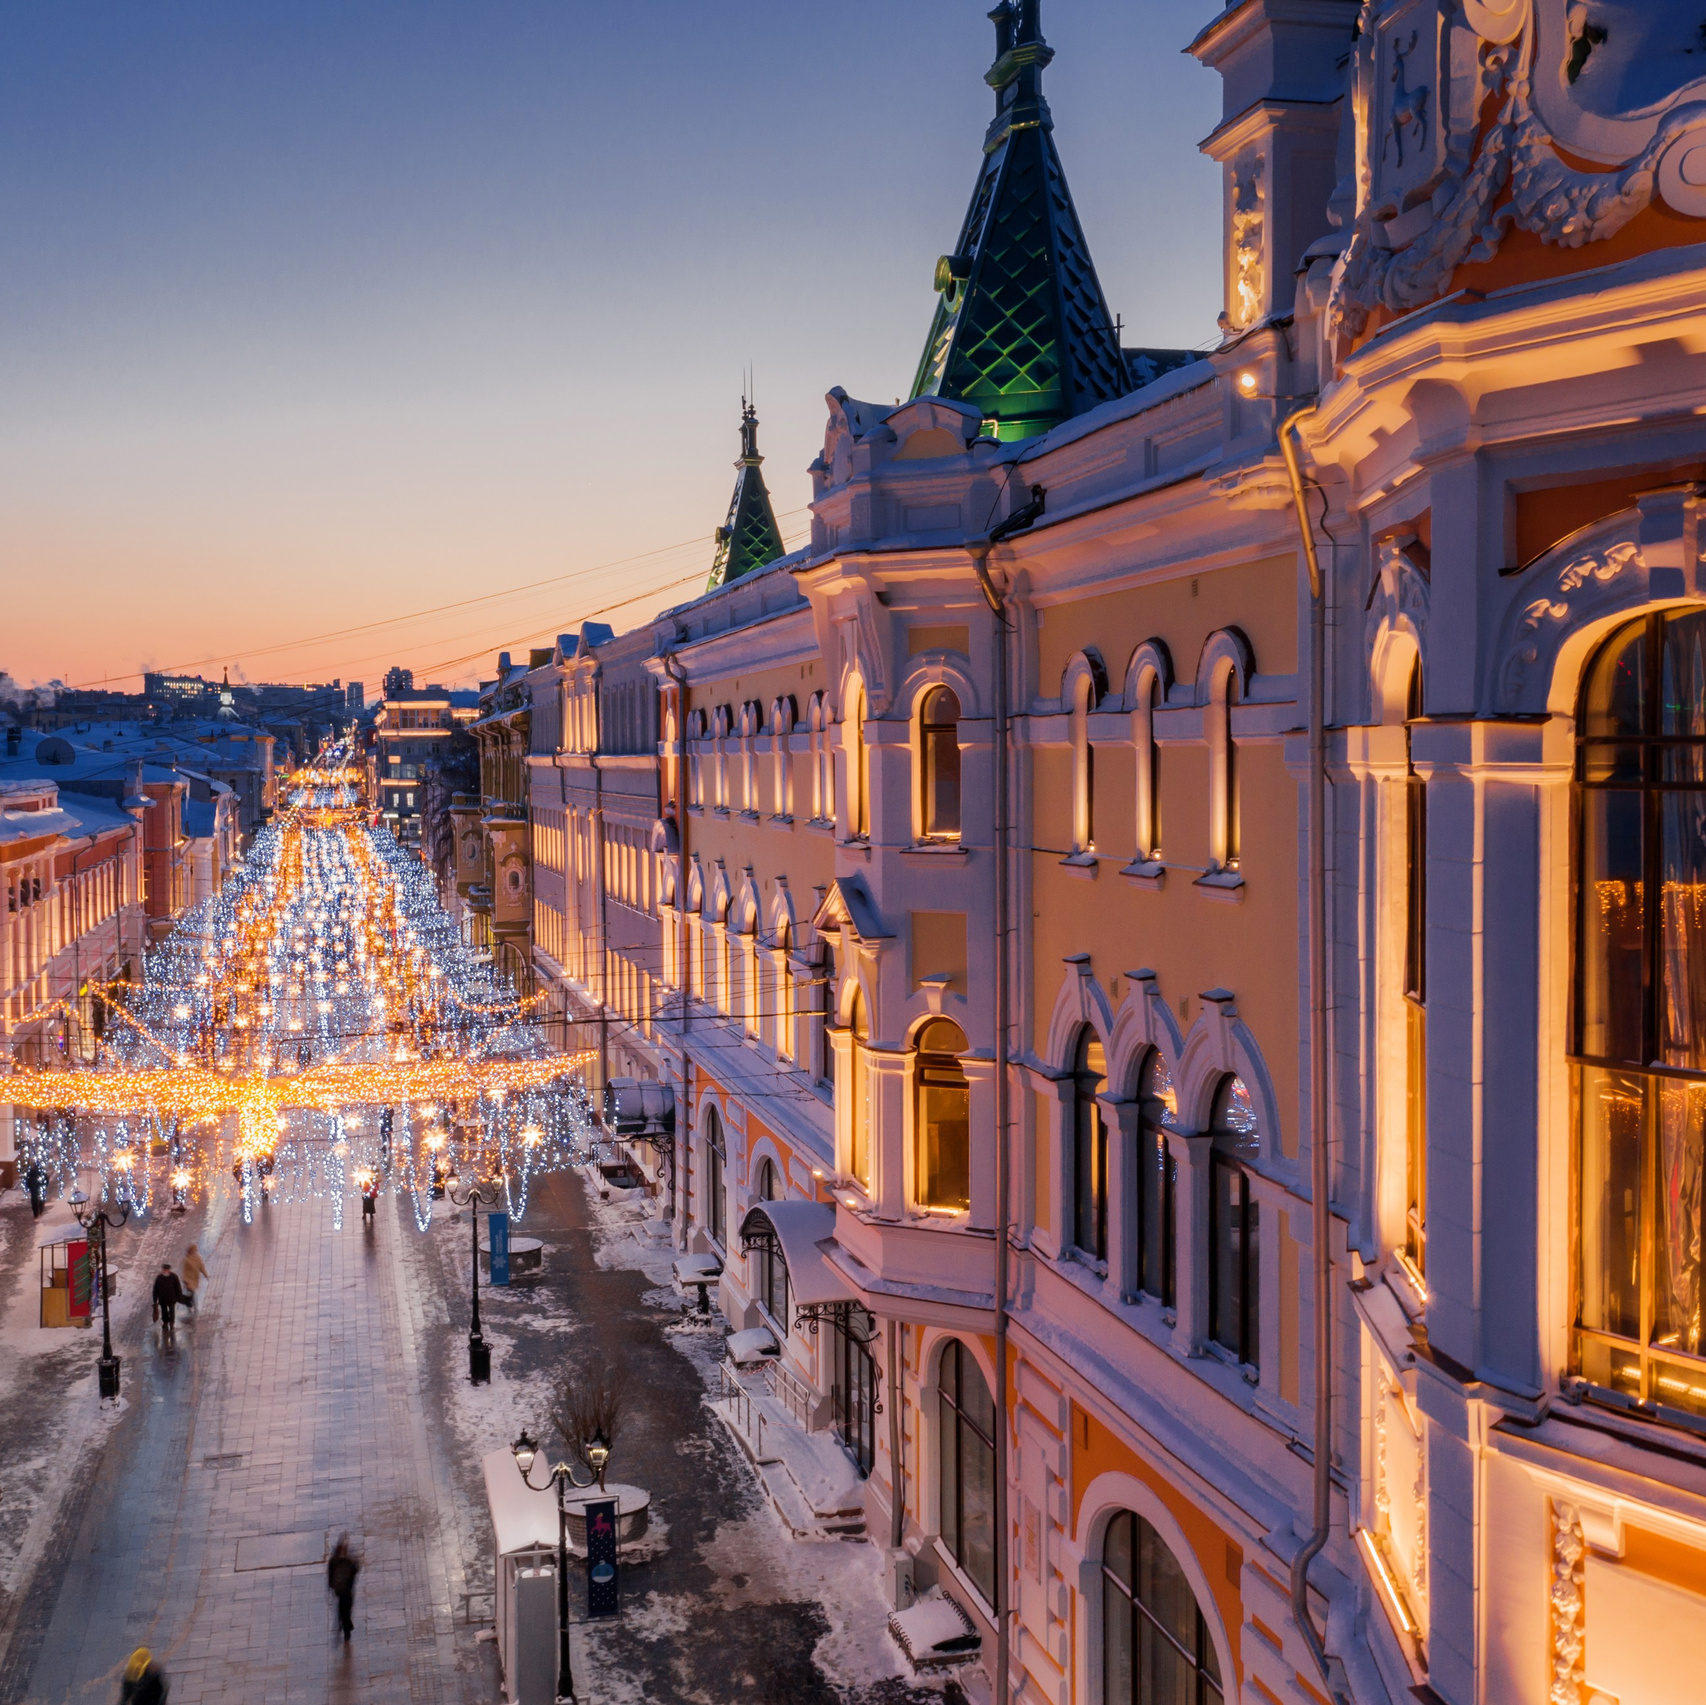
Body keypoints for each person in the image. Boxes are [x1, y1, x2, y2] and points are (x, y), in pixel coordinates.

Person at [327, 1535, 361, 1641]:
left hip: (343, 1590)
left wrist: (331, 1585)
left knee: (344, 1609)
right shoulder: (346, 1561)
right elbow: (355, 1570)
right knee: (345, 1608)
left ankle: (345, 1624)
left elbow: (330, 1574)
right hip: (345, 1590)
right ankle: (346, 1626)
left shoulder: (335, 1560)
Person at [151, 1264, 185, 1346]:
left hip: (171, 1299)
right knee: (164, 1311)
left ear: (169, 1270)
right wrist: (155, 1299)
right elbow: (155, 1289)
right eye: (164, 1270)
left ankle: (171, 1323)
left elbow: (178, 1287)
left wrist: (179, 1297)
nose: (165, 1271)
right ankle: (165, 1322)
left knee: (172, 1311)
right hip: (162, 1299)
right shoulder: (159, 1278)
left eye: (166, 1270)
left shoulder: (174, 1277)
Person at [180, 1245, 208, 1313]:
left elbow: (201, 1266)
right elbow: (184, 1270)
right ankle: (193, 1306)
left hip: (195, 1279)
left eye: (196, 1250)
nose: (195, 1252)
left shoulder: (198, 1258)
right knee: (192, 1293)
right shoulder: (186, 1260)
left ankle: (191, 1305)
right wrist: (185, 1279)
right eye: (194, 1251)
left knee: (191, 1294)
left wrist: (205, 1274)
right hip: (189, 1280)